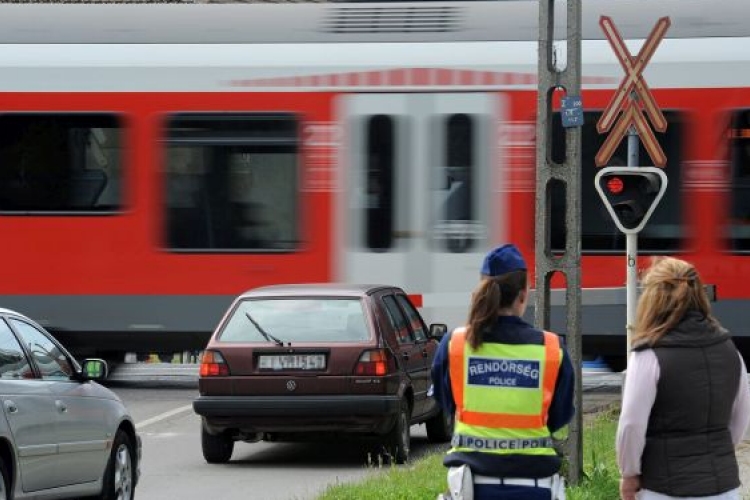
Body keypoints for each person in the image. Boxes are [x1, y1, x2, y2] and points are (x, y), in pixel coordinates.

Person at [431, 243, 575, 500]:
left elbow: (447, 402)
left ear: (481, 290)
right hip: (536, 488)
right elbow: (560, 416)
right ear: (524, 293)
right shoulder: (552, 349)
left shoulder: (454, 345)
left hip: (471, 488)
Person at [616, 256, 750, 500]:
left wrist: (629, 474)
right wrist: (715, 455)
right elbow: (741, 419)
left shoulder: (648, 355)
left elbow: (631, 425)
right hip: (724, 489)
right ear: (699, 295)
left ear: (651, 299)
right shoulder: (730, 350)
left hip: (664, 488)